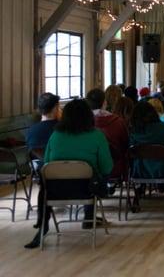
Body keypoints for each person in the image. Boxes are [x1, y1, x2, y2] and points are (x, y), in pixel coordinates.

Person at [25, 99, 113, 249]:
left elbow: (47, 164)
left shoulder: (56, 136)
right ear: (88, 116)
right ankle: (89, 216)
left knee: (45, 185)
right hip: (87, 190)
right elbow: (107, 167)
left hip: (56, 190)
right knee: (97, 175)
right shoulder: (97, 136)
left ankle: (43, 226)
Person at [85, 88, 129, 180]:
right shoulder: (118, 122)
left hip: (87, 169)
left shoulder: (82, 123)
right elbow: (126, 145)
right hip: (114, 167)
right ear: (104, 103)